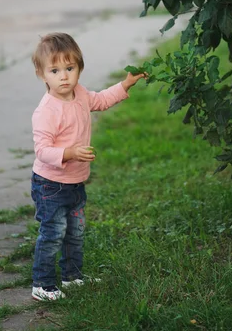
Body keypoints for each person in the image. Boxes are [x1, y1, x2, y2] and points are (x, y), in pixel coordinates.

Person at [30, 32, 146, 302]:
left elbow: (101, 100)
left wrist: (125, 85)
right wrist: (70, 152)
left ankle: (72, 277)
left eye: (70, 68)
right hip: (50, 185)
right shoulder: (47, 111)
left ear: (79, 68)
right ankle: (42, 284)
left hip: (75, 182)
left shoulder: (80, 94)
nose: (64, 76)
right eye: (55, 70)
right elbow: (42, 151)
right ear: (42, 74)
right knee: (53, 233)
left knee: (75, 233)